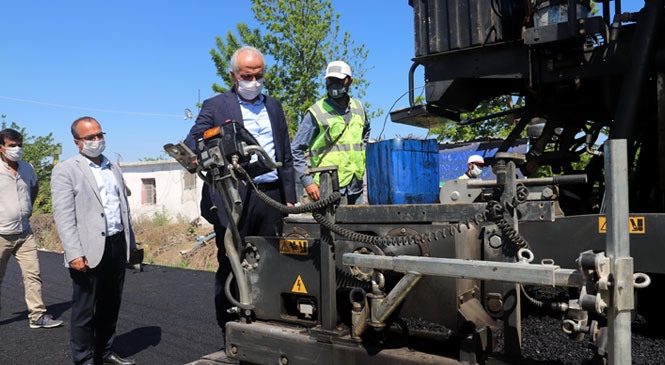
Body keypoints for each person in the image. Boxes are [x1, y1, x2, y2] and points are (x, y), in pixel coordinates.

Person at [183, 45, 296, 349]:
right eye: (247, 76)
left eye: (259, 75)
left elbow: (284, 153)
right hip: (234, 195)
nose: (254, 81)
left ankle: (267, 323)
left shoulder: (274, 106)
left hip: (270, 196)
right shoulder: (216, 105)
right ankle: (231, 329)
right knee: (231, 261)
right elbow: (193, 142)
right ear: (233, 75)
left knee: (271, 262)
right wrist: (197, 156)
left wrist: (289, 198)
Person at [51, 117, 137, 365]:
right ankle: (84, 359)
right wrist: (74, 252)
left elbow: (124, 207)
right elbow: (64, 216)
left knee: (111, 304)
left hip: (116, 243)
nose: (97, 141)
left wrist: (131, 242)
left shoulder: (113, 168)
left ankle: (104, 350)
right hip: (87, 249)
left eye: (99, 135)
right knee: (85, 309)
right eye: (90, 137)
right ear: (78, 142)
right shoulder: (66, 170)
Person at [0, 128, 64, 329]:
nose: (17, 149)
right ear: (1, 148)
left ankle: (37, 315)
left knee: (33, 274)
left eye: (19, 145)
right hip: (1, 234)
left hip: (24, 233)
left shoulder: (27, 168)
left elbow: (34, 186)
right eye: (12, 146)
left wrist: (29, 206)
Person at [291, 60, 370, 205]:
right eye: (330, 80)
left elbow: (365, 131)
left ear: (349, 81)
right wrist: (308, 182)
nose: (334, 84)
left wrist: (362, 154)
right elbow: (295, 149)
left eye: (339, 80)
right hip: (328, 188)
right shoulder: (316, 112)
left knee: (358, 228)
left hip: (355, 185)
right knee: (332, 227)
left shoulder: (358, 107)